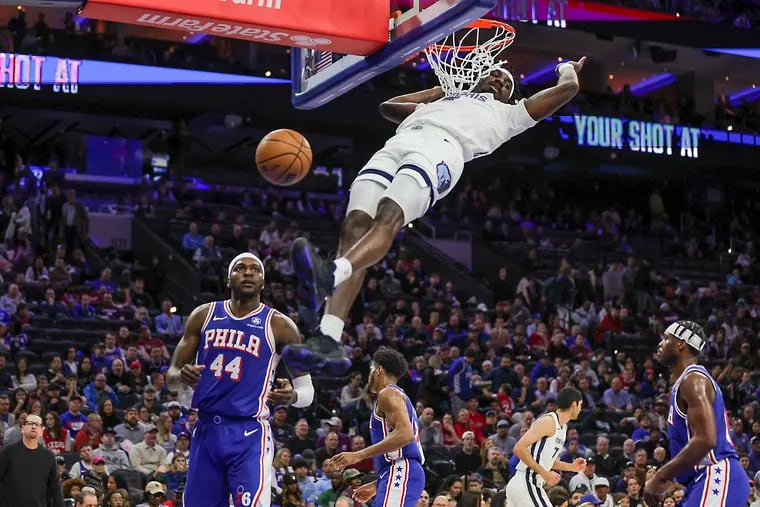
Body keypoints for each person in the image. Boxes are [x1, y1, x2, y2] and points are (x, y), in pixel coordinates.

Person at [291, 57, 587, 349]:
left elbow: (567, 90)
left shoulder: (509, 115)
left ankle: (332, 272)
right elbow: (389, 107)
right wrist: (436, 92)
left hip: (442, 150)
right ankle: (329, 339)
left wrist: (566, 70)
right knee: (354, 226)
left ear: (511, 96)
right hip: (399, 143)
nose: (499, 80)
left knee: (388, 216)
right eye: (496, 75)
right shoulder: (444, 100)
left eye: (506, 83)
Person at [166, 253, 319, 507]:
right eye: (240, 268)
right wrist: (181, 376)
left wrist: (292, 396)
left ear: (263, 283)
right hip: (206, 430)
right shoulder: (204, 316)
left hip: (248, 433)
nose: (248, 273)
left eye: (254, 270)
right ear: (228, 279)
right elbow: (171, 377)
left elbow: (308, 391)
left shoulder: (281, 326)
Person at [643, 321, 751, 506]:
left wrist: (661, 476)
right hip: (700, 480)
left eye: (666, 338)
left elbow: (706, 439)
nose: (661, 344)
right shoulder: (682, 384)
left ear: (681, 344)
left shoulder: (693, 379)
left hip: (716, 473)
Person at [331, 348, 425, 507]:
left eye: (371, 370)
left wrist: (359, 455)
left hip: (401, 469)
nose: (369, 376)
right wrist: (378, 484)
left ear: (379, 369)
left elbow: (405, 434)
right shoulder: (396, 396)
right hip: (395, 472)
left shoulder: (388, 393)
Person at [505, 387, 587, 507]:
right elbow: (519, 448)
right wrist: (544, 473)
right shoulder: (548, 421)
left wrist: (571, 467)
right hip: (527, 481)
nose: (581, 409)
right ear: (573, 404)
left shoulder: (563, 428)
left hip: (528, 484)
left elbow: (546, 460)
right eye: (580, 405)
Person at [0, 413, 65, 507]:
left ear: (41, 431)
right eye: (30, 423)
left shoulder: (48, 456)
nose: (34, 426)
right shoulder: (8, 452)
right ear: (23, 428)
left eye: (37, 424)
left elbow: (55, 489)